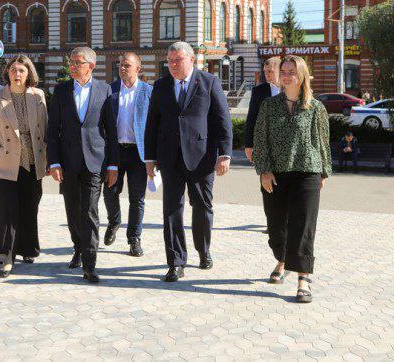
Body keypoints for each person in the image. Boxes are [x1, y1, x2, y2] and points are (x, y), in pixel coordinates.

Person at [144, 42, 232, 283]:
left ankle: (203, 250)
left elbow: (222, 119)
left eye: (178, 60)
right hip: (169, 158)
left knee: (202, 206)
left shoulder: (209, 82)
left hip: (202, 157)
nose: (173, 65)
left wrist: (224, 154)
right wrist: (150, 158)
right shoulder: (161, 86)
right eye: (170, 60)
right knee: (172, 210)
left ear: (191, 60)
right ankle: (176, 262)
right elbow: (152, 123)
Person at [253, 55, 332, 303]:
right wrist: (264, 170)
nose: (286, 76)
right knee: (276, 227)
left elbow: (323, 142)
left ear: (302, 75)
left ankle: (303, 278)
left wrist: (324, 171)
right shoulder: (269, 106)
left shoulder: (315, 107)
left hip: (307, 172)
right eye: (284, 71)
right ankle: (283, 258)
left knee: (303, 226)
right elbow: (260, 139)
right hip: (275, 173)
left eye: (292, 72)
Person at [47, 47, 119, 284]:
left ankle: (90, 264)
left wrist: (113, 165)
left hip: (95, 160)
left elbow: (111, 130)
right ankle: (78, 246)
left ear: (91, 66)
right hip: (67, 162)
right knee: (72, 210)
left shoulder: (105, 90)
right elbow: (53, 129)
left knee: (89, 211)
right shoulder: (61, 90)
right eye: (72, 62)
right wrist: (54, 161)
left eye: (78, 63)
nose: (73, 66)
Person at [0, 55, 48, 278]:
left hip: (32, 163)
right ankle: (6, 258)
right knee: (8, 213)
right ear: (7, 72)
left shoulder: (38, 96)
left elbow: (45, 131)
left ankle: (27, 249)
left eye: (21, 71)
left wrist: (50, 161)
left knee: (29, 209)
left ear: (29, 74)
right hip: (4, 163)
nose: (17, 74)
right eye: (13, 70)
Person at [103, 52, 153, 257]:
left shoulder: (149, 92)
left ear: (138, 69)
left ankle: (134, 239)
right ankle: (114, 221)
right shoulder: (110, 90)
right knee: (110, 192)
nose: (122, 68)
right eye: (121, 65)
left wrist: (153, 157)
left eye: (127, 65)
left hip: (138, 153)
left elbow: (155, 125)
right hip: (114, 151)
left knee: (137, 199)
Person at [244, 56, 281, 233]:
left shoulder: (290, 88)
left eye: (271, 71)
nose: (267, 74)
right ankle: (272, 222)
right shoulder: (259, 91)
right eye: (265, 71)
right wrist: (248, 145)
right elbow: (251, 118)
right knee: (266, 184)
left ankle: (285, 219)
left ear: (280, 70)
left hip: (287, 146)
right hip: (265, 145)